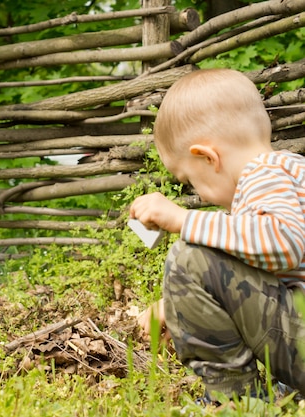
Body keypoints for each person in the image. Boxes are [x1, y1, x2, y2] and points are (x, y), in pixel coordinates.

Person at [130, 68, 305, 404]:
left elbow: (282, 243)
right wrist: (181, 305)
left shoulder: (264, 174)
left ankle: (235, 402)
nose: (202, 197)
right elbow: (255, 269)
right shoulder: (290, 171)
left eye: (191, 181)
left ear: (208, 158)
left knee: (189, 258)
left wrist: (183, 219)